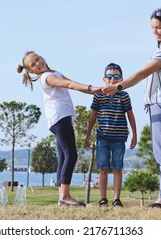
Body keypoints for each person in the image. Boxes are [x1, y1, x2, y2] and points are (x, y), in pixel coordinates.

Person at [103, 8, 161, 208]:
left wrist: (117, 87)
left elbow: (141, 74)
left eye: (159, 27)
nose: (155, 31)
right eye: (152, 28)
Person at [17, 50, 101, 207]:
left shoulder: (54, 72)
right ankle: (65, 197)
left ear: (42, 57)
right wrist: (91, 88)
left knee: (63, 157)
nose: (37, 63)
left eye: (37, 59)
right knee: (71, 155)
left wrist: (96, 91)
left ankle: (62, 197)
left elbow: (73, 83)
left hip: (59, 118)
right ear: (31, 71)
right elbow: (69, 85)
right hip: (60, 117)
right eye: (33, 64)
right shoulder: (47, 77)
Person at [85, 63, 137, 207]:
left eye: (116, 76)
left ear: (121, 79)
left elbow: (131, 115)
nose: (112, 79)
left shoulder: (124, 96)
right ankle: (103, 199)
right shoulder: (98, 96)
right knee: (103, 168)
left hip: (119, 138)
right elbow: (93, 116)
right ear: (104, 79)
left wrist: (134, 134)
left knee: (117, 168)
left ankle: (116, 199)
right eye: (109, 76)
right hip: (102, 137)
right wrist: (88, 135)